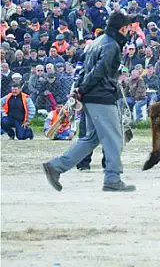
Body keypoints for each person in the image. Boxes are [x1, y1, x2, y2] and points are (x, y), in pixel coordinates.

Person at [43, 12, 136, 192]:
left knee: (91, 139)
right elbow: (99, 71)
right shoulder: (112, 45)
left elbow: (85, 69)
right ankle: (112, 178)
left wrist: (79, 89)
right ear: (123, 28)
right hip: (101, 96)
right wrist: (83, 89)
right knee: (114, 138)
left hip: (90, 96)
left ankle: (56, 167)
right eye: (128, 29)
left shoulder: (97, 41)